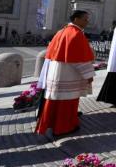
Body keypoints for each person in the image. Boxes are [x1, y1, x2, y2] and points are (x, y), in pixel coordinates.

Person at [36, 11, 94, 139]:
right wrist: (88, 75)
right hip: (68, 74)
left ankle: (52, 125)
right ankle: (63, 128)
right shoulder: (75, 34)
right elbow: (79, 59)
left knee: (56, 102)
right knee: (67, 103)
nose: (87, 22)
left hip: (57, 72)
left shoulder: (61, 31)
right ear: (76, 19)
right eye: (85, 19)